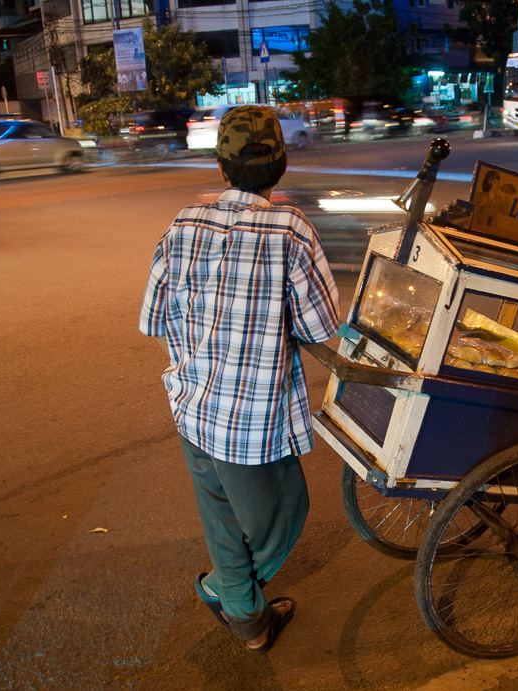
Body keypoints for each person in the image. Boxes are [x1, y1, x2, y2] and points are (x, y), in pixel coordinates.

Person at [139, 105, 340, 654]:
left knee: (223, 519)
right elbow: (320, 326)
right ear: (279, 166)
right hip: (250, 423)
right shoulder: (292, 230)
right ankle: (229, 594)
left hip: (191, 406)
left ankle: (249, 620)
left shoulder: (182, 223)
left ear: (222, 164)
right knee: (287, 512)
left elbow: (153, 318)